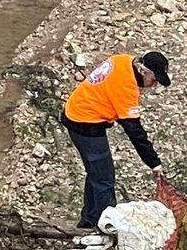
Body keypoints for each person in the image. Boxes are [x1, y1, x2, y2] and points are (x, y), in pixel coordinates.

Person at [61, 50, 171, 229]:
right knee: (104, 178)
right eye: (154, 79)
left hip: (75, 110)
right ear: (143, 71)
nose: (154, 84)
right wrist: (154, 163)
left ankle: (89, 221)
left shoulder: (122, 60)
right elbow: (134, 131)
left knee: (95, 172)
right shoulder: (126, 88)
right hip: (85, 122)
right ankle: (107, 227)